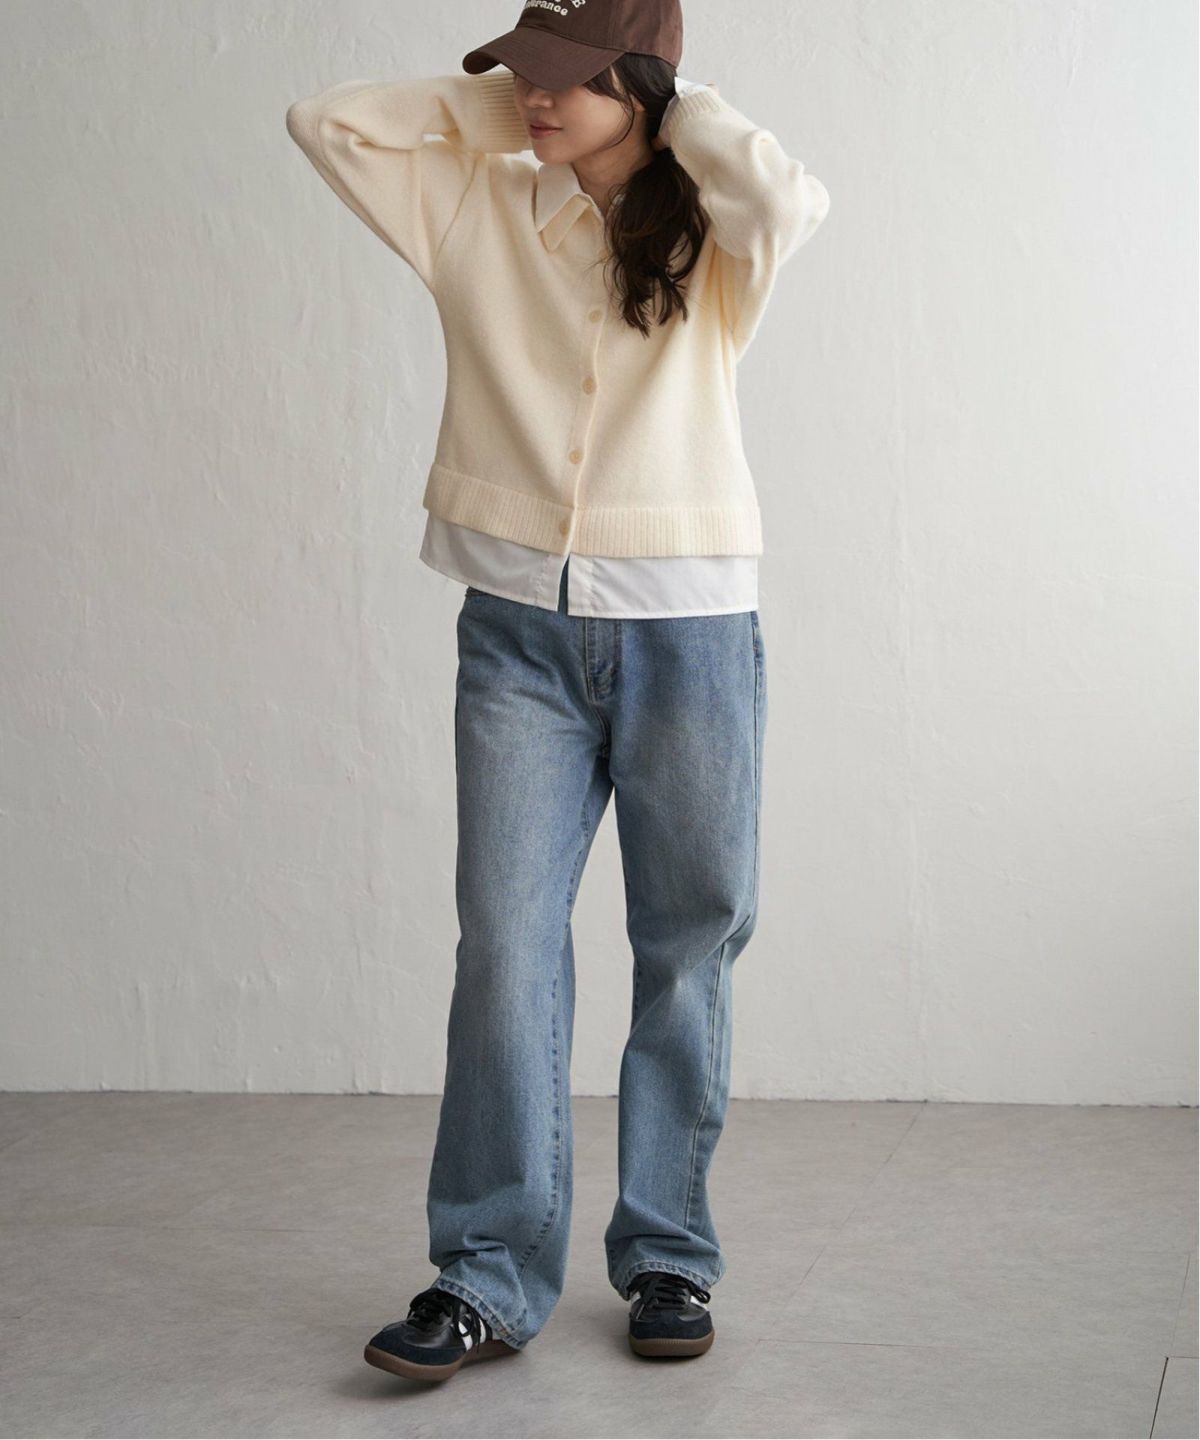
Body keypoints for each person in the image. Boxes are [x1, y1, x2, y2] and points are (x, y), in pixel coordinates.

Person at [285, 0, 830, 1382]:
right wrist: (520, 104)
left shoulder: (711, 233)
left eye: (569, 77)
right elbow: (326, 125)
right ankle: (484, 1273)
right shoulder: (477, 208)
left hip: (689, 629)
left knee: (687, 944)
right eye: (525, 71)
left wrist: (673, 113)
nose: (535, 97)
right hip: (517, 633)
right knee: (505, 945)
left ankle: (668, 1256)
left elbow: (792, 197)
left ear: (643, 86)